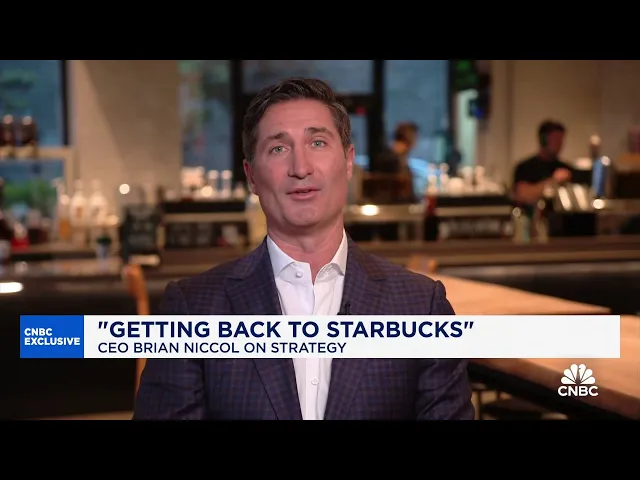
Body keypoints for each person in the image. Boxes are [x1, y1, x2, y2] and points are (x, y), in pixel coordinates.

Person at [133, 78, 474, 421]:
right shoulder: (193, 310)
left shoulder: (421, 307)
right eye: (278, 149)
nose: (300, 168)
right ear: (251, 176)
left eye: (318, 142)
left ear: (348, 161)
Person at [512, 120, 577, 206]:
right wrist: (553, 181)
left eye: (561, 140)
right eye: (555, 139)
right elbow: (522, 195)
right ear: (543, 140)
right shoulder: (525, 167)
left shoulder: (566, 169)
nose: (559, 144)